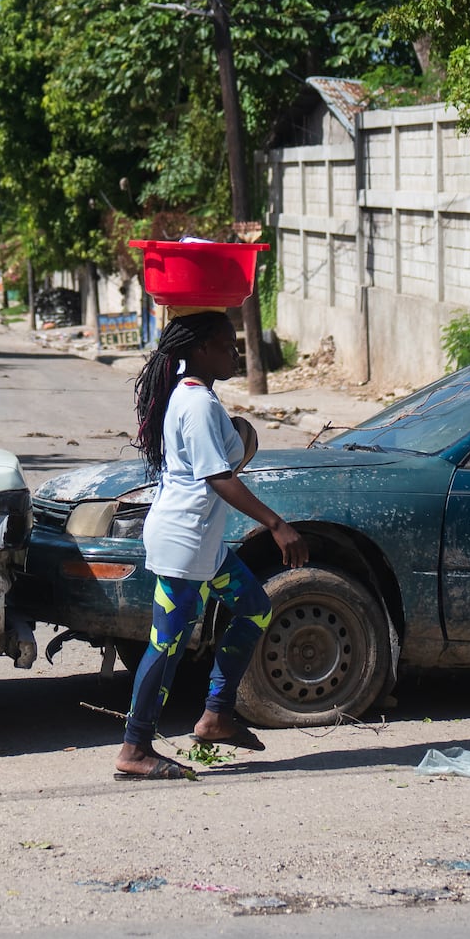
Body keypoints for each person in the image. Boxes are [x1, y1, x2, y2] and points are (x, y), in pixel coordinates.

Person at [112, 309, 308, 780]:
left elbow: (223, 459)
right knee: (167, 646)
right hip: (183, 543)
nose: (235, 353)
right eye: (227, 344)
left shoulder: (201, 397)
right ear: (200, 348)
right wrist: (276, 524)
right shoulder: (196, 403)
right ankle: (135, 748)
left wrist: (240, 434)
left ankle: (217, 715)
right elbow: (218, 477)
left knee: (255, 608)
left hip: (204, 544)